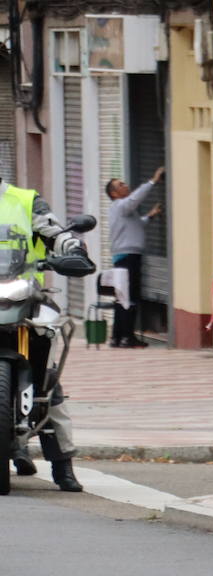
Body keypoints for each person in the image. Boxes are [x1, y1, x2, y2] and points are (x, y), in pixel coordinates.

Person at [2, 181, 94, 491]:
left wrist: (74, 249)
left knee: (47, 382)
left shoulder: (24, 200)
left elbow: (56, 232)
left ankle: (62, 464)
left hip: (23, 296)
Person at [105, 167, 164, 347]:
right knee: (129, 297)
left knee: (122, 297)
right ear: (114, 194)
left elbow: (136, 226)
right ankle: (127, 337)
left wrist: (150, 217)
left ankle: (117, 337)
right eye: (121, 185)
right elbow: (135, 199)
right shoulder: (121, 206)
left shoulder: (122, 210)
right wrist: (153, 181)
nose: (126, 185)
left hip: (124, 257)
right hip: (127, 258)